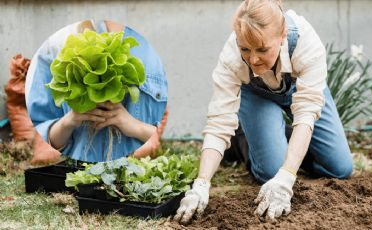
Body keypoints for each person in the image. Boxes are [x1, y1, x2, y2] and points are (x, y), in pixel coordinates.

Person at [174, 0, 352, 223]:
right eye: (245, 49)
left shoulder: (306, 43)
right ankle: (243, 141)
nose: (253, 59)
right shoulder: (231, 57)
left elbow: (306, 114)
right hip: (257, 95)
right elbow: (219, 122)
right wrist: (201, 184)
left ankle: (272, 137)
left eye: (262, 49)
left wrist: (287, 178)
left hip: (302, 91)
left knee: (340, 168)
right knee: (270, 172)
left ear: (283, 35)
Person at [25, 20, 168, 162]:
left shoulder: (153, 51)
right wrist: (69, 120)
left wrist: (136, 127)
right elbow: (44, 134)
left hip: (137, 172)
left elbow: (157, 136)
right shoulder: (55, 45)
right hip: (76, 172)